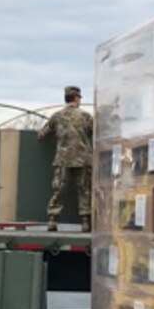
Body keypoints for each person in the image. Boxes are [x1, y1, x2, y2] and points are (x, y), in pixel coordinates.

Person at [38, 85, 94, 232]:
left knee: (59, 190)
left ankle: (52, 220)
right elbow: (96, 133)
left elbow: (42, 135)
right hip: (83, 159)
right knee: (84, 190)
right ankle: (85, 222)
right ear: (76, 98)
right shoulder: (86, 116)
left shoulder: (57, 116)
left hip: (62, 159)